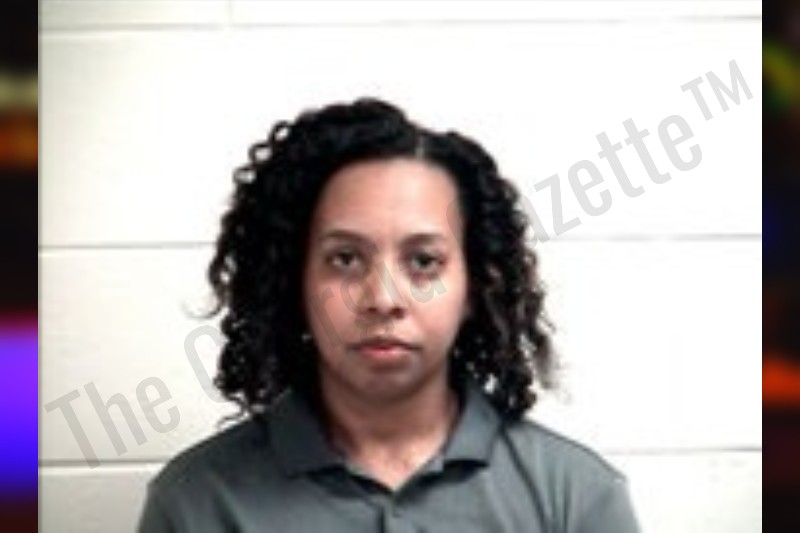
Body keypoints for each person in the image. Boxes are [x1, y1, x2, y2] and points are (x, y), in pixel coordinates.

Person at [138, 98, 640, 532]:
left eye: (423, 262)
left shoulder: (575, 497)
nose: (382, 298)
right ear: (294, 283)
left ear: (475, 287)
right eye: (345, 259)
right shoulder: (197, 503)